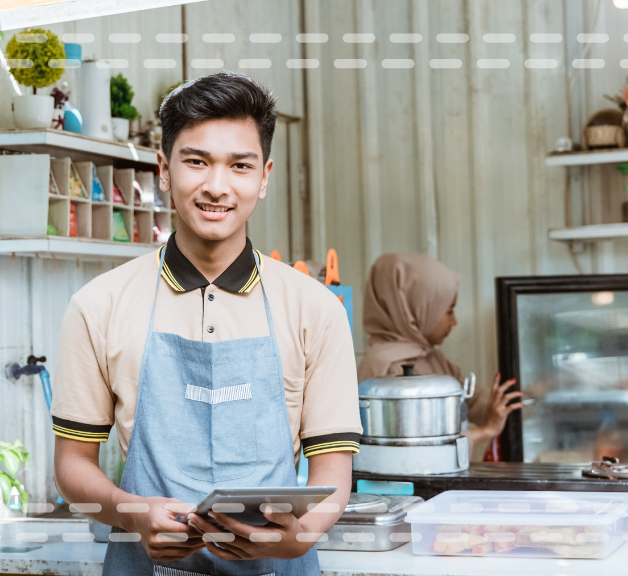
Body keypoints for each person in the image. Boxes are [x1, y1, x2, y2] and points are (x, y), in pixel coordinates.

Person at [51, 73, 361, 575]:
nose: (217, 186)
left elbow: (332, 472)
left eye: (240, 166)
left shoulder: (316, 308)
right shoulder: (99, 304)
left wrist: (298, 537)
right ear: (164, 170)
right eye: (196, 162)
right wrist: (135, 513)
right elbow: (71, 469)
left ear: (264, 176)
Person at [356, 253, 522, 459]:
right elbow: (423, 451)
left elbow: (474, 401)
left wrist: (532, 395)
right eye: (449, 311)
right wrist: (486, 431)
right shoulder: (385, 372)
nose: (454, 322)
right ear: (417, 310)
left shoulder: (431, 358)